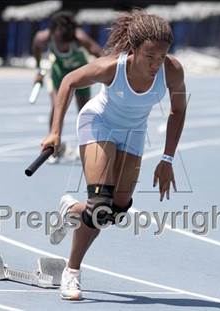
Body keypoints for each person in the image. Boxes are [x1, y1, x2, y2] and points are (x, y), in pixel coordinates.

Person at [41, 10, 187, 300]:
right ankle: (72, 273)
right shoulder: (112, 67)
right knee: (99, 207)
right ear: (133, 50)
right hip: (100, 124)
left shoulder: (173, 70)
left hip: (133, 134)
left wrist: (168, 159)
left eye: (162, 56)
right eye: (149, 56)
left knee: (118, 210)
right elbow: (69, 81)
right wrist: (55, 131)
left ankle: (71, 210)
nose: (156, 64)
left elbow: (179, 110)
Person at [32, 11, 103, 163]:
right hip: (59, 73)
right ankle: (53, 146)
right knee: (57, 106)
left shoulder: (79, 37)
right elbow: (36, 46)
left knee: (84, 109)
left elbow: (98, 52)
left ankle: (86, 144)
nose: (61, 45)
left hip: (80, 73)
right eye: (58, 42)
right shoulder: (43, 37)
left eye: (64, 42)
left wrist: (112, 72)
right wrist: (38, 70)